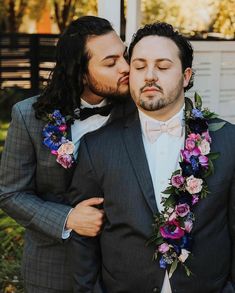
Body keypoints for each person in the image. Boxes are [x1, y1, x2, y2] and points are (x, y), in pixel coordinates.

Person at [68, 22, 235, 293]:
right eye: (139, 65)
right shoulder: (96, 147)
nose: (149, 75)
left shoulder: (229, 141)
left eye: (163, 66)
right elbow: (83, 242)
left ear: (185, 75)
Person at [0, 16, 130, 293]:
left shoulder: (136, 113)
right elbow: (10, 193)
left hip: (122, 270)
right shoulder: (29, 116)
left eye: (124, 56)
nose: (126, 68)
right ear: (81, 73)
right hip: (52, 271)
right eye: (110, 63)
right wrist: (68, 219)